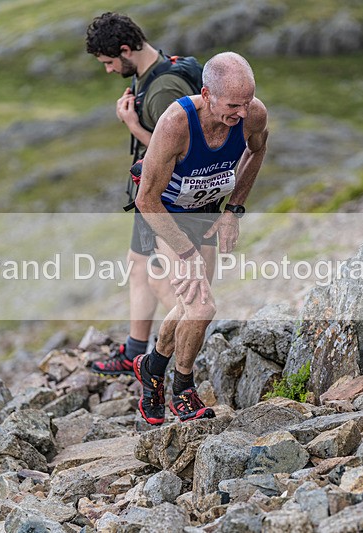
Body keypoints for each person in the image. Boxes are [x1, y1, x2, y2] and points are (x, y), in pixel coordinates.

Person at [133, 52, 269, 424]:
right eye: (232, 105)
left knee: (190, 304)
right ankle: (183, 388)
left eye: (247, 102)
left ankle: (152, 367)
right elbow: (146, 199)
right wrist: (185, 250)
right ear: (206, 94)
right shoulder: (176, 124)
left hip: (206, 215)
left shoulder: (253, 114)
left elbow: (257, 151)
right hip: (165, 217)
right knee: (203, 307)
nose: (242, 113)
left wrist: (233, 210)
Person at [85, 12, 202, 375]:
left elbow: (186, 152)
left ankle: (193, 351)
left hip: (165, 199)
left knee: (159, 278)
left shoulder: (164, 88)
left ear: (125, 50)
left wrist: (133, 125)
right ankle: (135, 350)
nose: (107, 70)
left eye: (108, 62)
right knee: (137, 266)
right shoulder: (153, 72)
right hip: (151, 192)